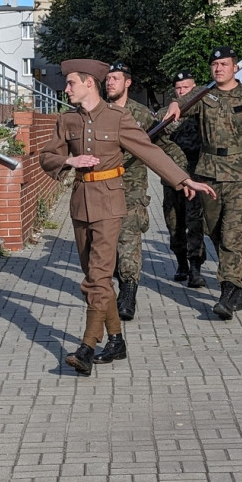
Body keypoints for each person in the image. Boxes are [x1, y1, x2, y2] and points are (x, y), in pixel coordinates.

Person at [39, 59, 216, 375]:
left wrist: (183, 180)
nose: (66, 88)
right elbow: (46, 157)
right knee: (97, 279)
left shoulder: (118, 117)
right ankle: (117, 340)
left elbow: (150, 151)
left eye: (71, 83)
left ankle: (87, 348)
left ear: (89, 83)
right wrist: (70, 159)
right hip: (80, 205)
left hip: (110, 204)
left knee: (97, 278)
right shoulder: (66, 120)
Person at [165, 46, 242, 320]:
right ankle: (238, 286)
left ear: (234, 67)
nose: (218, 68)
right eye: (214, 64)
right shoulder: (203, 96)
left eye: (224, 64)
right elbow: (177, 106)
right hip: (209, 174)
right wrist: (174, 104)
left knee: (233, 234)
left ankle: (228, 292)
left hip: (241, 175)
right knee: (216, 233)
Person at [106, 61, 180, 321]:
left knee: (128, 241)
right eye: (108, 78)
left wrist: (182, 177)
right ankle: (113, 280)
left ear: (128, 83)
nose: (110, 82)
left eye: (116, 78)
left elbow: (163, 146)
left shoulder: (141, 115)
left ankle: (128, 293)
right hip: (102, 190)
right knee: (107, 245)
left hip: (132, 189)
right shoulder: (97, 112)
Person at [160, 71, 206, 288]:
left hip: (195, 177)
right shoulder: (166, 114)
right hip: (171, 179)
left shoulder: (202, 114)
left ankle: (195, 267)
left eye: (185, 88)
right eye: (178, 89)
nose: (181, 92)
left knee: (194, 223)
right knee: (174, 223)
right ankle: (181, 264)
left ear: (194, 88)